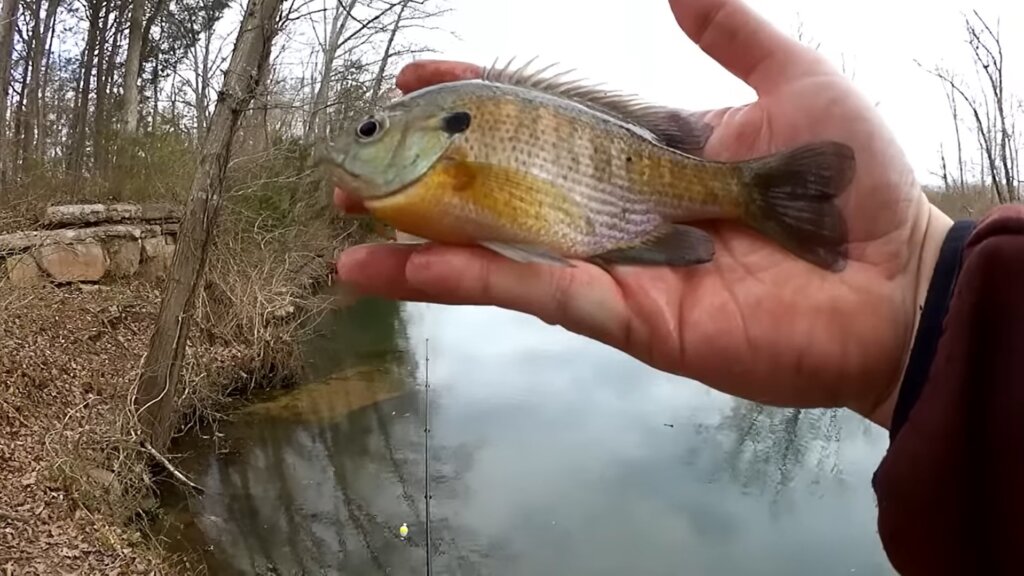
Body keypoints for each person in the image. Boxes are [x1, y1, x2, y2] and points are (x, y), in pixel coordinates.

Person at [332, 0, 1024, 573]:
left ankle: (752, 191)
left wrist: (923, 284)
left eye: (370, 132)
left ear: (426, 137)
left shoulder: (453, 144)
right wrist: (927, 306)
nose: (356, 145)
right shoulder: (434, 165)